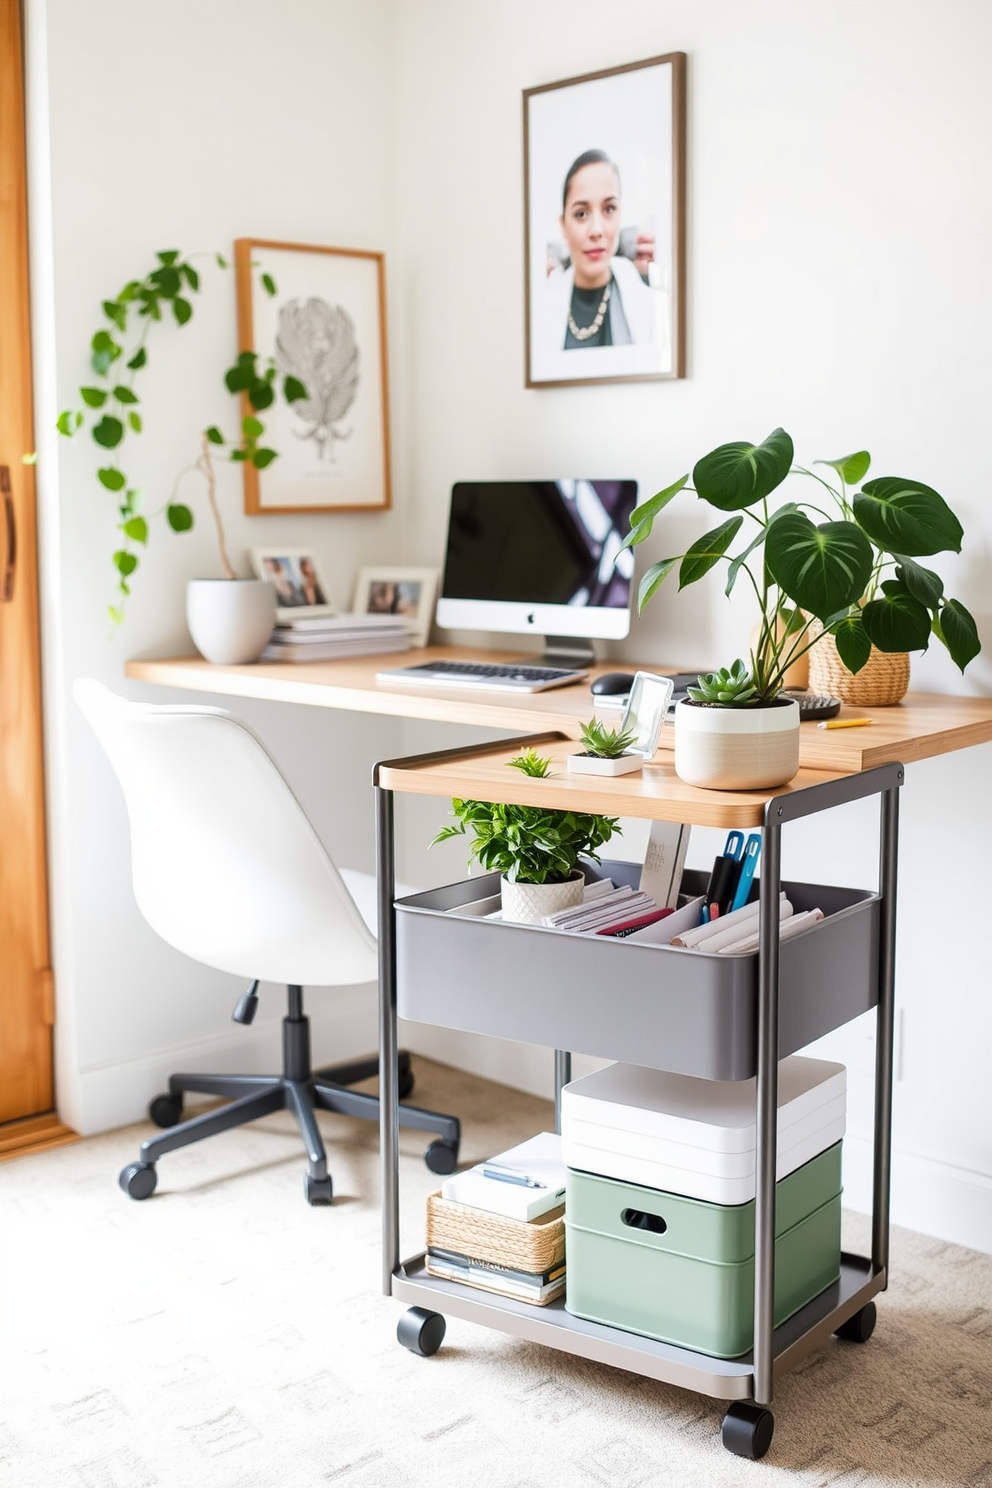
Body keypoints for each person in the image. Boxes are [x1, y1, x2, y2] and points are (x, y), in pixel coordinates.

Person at [547, 149, 656, 351]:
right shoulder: (542, 308)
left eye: (609, 209)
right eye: (581, 214)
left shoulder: (650, 304)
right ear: (563, 225)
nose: (596, 230)